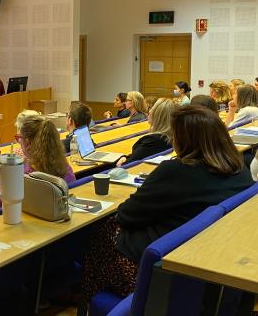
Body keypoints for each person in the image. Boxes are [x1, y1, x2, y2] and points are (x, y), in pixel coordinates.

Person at [81, 106, 253, 304]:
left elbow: (127, 215)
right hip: (201, 259)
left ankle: (88, 298)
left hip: (153, 270)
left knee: (101, 231)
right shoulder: (240, 170)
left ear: (183, 139)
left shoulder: (176, 171)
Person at [0, 114, 75, 215]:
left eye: (18, 138)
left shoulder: (19, 176)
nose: (18, 142)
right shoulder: (65, 167)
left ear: (28, 142)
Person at [116, 98, 176, 166]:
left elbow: (129, 163)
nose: (149, 112)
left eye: (152, 109)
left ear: (158, 116)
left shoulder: (153, 140)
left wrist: (123, 158)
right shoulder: (172, 136)